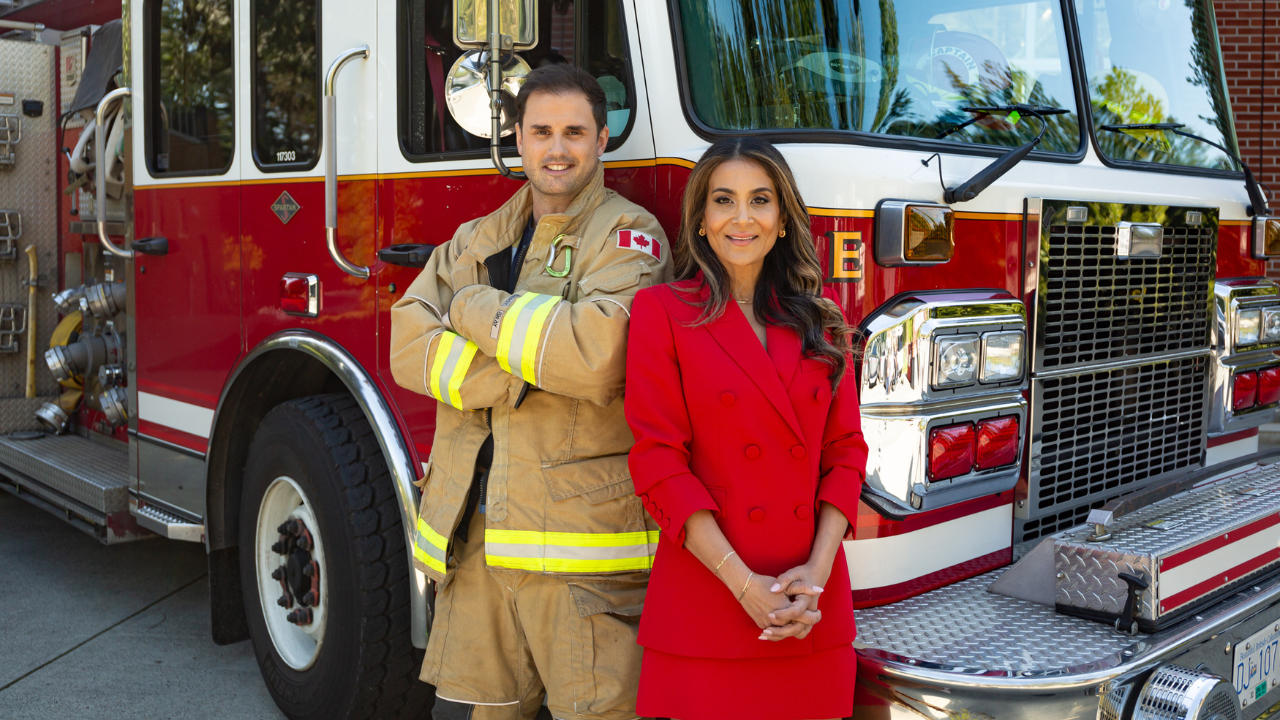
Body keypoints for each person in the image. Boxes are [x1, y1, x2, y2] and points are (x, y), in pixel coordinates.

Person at [389, 63, 671, 720]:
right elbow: (406, 342)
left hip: (579, 558)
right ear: (518, 139)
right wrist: (529, 368)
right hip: (476, 545)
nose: (557, 148)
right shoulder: (480, 235)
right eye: (541, 131)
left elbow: (598, 359)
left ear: (603, 139)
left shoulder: (631, 236)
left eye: (575, 132)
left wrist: (471, 308)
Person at [624, 137, 867, 720]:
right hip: (709, 602)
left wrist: (815, 576)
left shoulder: (821, 318)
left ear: (782, 220)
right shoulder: (662, 311)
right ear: (700, 220)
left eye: (760, 200)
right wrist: (744, 585)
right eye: (723, 200)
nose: (742, 217)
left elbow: (846, 452)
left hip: (810, 608)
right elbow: (658, 462)